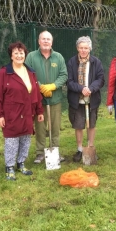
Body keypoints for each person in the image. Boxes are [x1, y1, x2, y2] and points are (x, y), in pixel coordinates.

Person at [0, 41, 44, 180]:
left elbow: (36, 93)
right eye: (16, 53)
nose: (19, 56)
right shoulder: (4, 73)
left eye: (21, 53)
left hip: (28, 112)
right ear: (11, 56)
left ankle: (21, 163)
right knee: (12, 141)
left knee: (25, 139)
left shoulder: (30, 72)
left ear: (25, 55)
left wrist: (39, 111)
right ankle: (9, 167)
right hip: (11, 114)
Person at [25, 31, 68, 164]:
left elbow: (64, 75)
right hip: (38, 100)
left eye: (48, 39)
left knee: (55, 127)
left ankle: (54, 150)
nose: (46, 41)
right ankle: (40, 153)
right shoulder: (31, 57)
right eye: (43, 39)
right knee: (40, 127)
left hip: (55, 99)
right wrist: (40, 87)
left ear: (51, 42)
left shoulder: (58, 57)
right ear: (39, 41)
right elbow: (27, 74)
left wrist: (53, 86)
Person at [67, 36, 105, 162]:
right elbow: (69, 81)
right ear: (77, 48)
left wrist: (90, 89)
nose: (83, 50)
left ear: (90, 49)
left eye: (86, 48)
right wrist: (81, 88)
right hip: (77, 100)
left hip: (92, 99)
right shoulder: (72, 62)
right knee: (78, 125)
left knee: (91, 125)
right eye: (81, 47)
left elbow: (100, 79)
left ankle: (90, 147)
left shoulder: (96, 62)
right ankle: (79, 149)